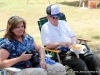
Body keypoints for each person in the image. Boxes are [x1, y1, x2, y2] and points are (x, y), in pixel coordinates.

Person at [41, 4, 100, 75]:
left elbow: (73, 36)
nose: (56, 19)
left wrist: (74, 44)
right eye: (54, 17)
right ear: (48, 17)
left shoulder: (63, 23)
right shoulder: (45, 28)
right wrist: (60, 43)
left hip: (75, 50)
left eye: (58, 17)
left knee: (93, 58)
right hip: (62, 53)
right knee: (80, 64)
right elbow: (47, 45)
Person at [0, 16, 66, 75]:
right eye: (17, 27)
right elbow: (1, 63)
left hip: (35, 65)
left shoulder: (27, 37)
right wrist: (19, 59)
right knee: (40, 72)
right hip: (18, 70)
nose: (21, 29)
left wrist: (42, 60)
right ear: (11, 29)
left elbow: (40, 49)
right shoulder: (7, 43)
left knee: (59, 68)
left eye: (22, 26)